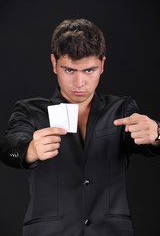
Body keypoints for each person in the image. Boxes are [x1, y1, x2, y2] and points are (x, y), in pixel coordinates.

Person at [0, 19, 160, 236]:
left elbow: (147, 138)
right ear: (54, 63)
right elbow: (9, 145)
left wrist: (157, 132)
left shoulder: (121, 109)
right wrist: (30, 150)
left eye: (89, 70)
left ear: (102, 65)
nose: (78, 83)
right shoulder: (30, 110)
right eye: (69, 70)